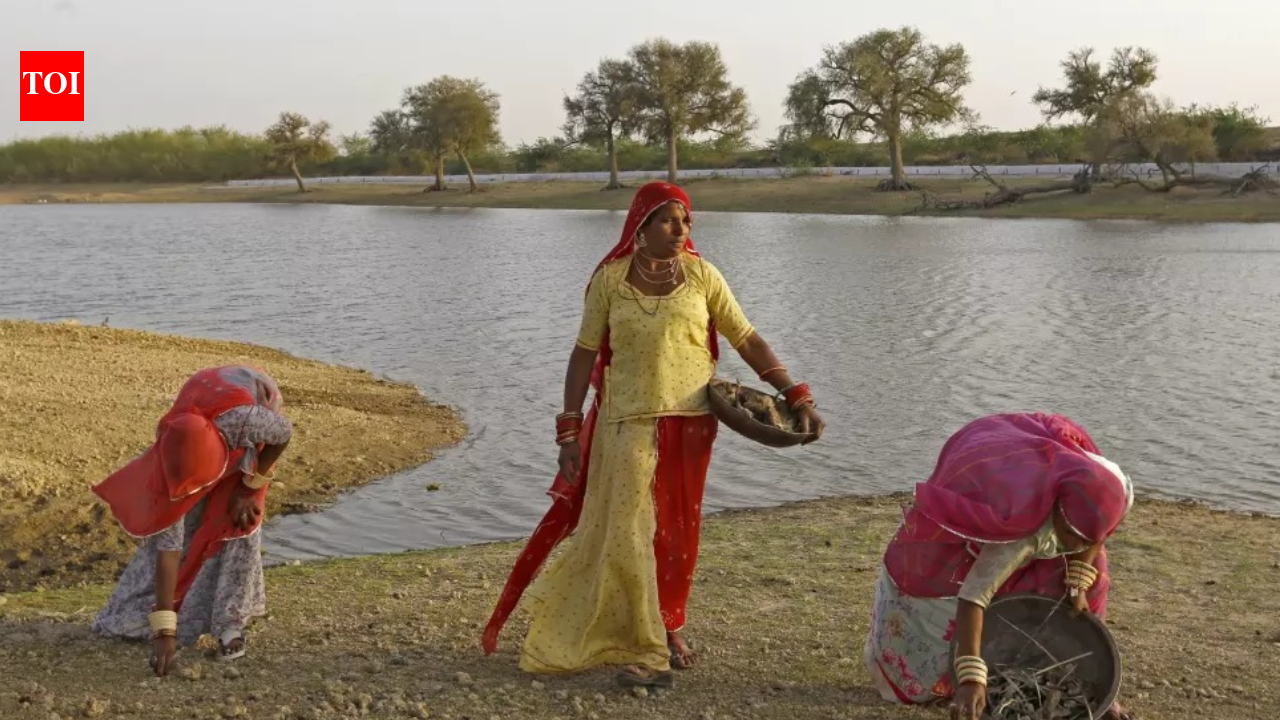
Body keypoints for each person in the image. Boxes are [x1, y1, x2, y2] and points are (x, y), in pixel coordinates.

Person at [481, 181, 825, 688]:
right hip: (625, 423)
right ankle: (645, 645)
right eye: (668, 220)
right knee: (628, 531)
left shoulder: (703, 276)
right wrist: (569, 429)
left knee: (677, 530)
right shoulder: (611, 280)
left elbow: (746, 338)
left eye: (685, 220)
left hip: (690, 422)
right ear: (639, 227)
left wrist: (796, 393)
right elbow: (583, 354)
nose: (680, 230)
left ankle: (668, 626)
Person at [864, 412, 1136, 720]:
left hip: (1057, 509)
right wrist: (969, 679)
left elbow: (1095, 534)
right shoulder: (1020, 527)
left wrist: (1078, 581)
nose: (1075, 547)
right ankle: (971, 671)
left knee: (1096, 575)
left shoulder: (1113, 489)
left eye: (1082, 541)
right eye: (1070, 536)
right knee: (950, 610)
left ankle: (1087, 685)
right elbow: (973, 596)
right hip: (996, 514)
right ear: (1057, 511)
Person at [90, 365, 292, 677]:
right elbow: (167, 552)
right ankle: (177, 607)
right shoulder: (169, 462)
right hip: (202, 428)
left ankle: (230, 624)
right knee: (184, 529)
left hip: (243, 413)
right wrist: (164, 633)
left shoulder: (245, 421)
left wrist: (249, 488)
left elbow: (283, 432)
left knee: (235, 523)